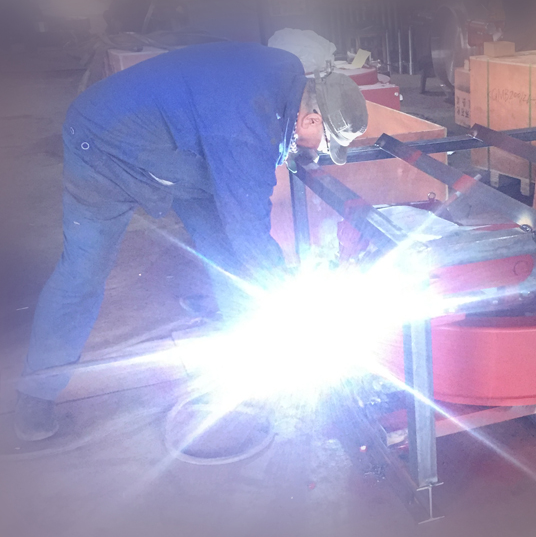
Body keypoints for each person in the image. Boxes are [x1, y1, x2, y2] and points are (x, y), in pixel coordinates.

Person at [14, 41, 368, 442]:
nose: (317, 152)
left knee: (228, 257)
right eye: (323, 143)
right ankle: (35, 400)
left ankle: (252, 366)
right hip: (104, 141)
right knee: (84, 270)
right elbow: (249, 229)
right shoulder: (246, 129)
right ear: (312, 119)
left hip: (184, 147)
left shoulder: (287, 76)